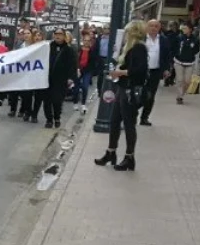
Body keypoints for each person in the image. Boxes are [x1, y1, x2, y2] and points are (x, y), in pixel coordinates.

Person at [95, 20, 148, 173]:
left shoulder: (139, 48)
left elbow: (140, 70)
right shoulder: (128, 47)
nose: (124, 34)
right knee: (114, 121)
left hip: (130, 90)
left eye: (127, 32)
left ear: (133, 32)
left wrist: (121, 72)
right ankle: (111, 152)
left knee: (129, 123)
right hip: (123, 88)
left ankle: (129, 157)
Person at [140, 19, 174, 126]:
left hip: (155, 71)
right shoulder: (142, 38)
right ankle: (132, 113)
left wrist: (167, 69)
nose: (153, 28)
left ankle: (144, 117)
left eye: (156, 26)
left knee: (151, 96)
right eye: (151, 26)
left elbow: (167, 55)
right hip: (141, 71)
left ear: (159, 28)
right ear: (147, 27)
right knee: (139, 93)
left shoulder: (163, 39)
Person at [44, 28, 78, 128]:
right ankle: (49, 120)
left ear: (64, 36)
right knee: (47, 100)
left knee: (57, 100)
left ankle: (57, 117)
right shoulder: (48, 47)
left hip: (61, 80)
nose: (58, 36)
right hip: (47, 78)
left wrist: (71, 77)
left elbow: (73, 65)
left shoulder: (69, 49)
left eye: (60, 34)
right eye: (56, 34)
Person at [172, 22, 200, 104]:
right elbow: (174, 47)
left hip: (189, 62)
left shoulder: (195, 39)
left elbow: (197, 50)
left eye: (185, 28)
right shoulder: (179, 38)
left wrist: (191, 54)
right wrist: (175, 55)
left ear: (190, 30)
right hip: (179, 61)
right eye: (183, 28)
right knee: (180, 79)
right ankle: (179, 97)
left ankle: (182, 93)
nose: (184, 30)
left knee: (187, 81)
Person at [74, 32, 100, 112]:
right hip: (78, 70)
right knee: (76, 88)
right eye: (85, 40)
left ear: (90, 41)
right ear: (83, 40)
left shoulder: (92, 51)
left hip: (88, 71)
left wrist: (94, 71)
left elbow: (95, 61)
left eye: (88, 40)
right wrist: (77, 69)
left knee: (85, 87)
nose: (86, 42)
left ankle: (83, 104)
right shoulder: (79, 49)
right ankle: (75, 102)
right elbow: (75, 60)